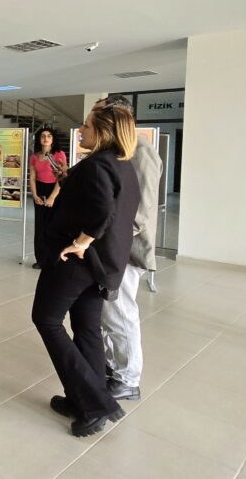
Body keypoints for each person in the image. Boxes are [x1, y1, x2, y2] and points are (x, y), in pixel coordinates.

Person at [32, 102, 140, 437]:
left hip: (78, 262)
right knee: (87, 329)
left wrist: (81, 241)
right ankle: (85, 398)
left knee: (46, 319)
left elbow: (102, 212)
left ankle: (95, 403)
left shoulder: (97, 166)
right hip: (103, 264)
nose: (80, 130)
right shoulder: (121, 164)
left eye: (88, 126)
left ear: (104, 132)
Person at [95, 96, 162, 401]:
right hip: (109, 245)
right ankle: (114, 365)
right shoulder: (119, 151)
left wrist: (109, 238)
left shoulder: (143, 152)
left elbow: (140, 210)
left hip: (125, 248)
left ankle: (127, 379)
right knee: (109, 313)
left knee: (121, 311)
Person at [29, 127, 68, 269]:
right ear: (39, 139)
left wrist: (52, 197)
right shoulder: (34, 157)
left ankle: (54, 258)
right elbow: (32, 177)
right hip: (39, 190)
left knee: (53, 225)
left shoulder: (59, 155)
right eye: (43, 136)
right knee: (40, 226)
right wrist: (34, 195)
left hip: (55, 190)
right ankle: (40, 259)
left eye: (49, 136)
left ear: (53, 139)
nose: (46, 138)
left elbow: (62, 178)